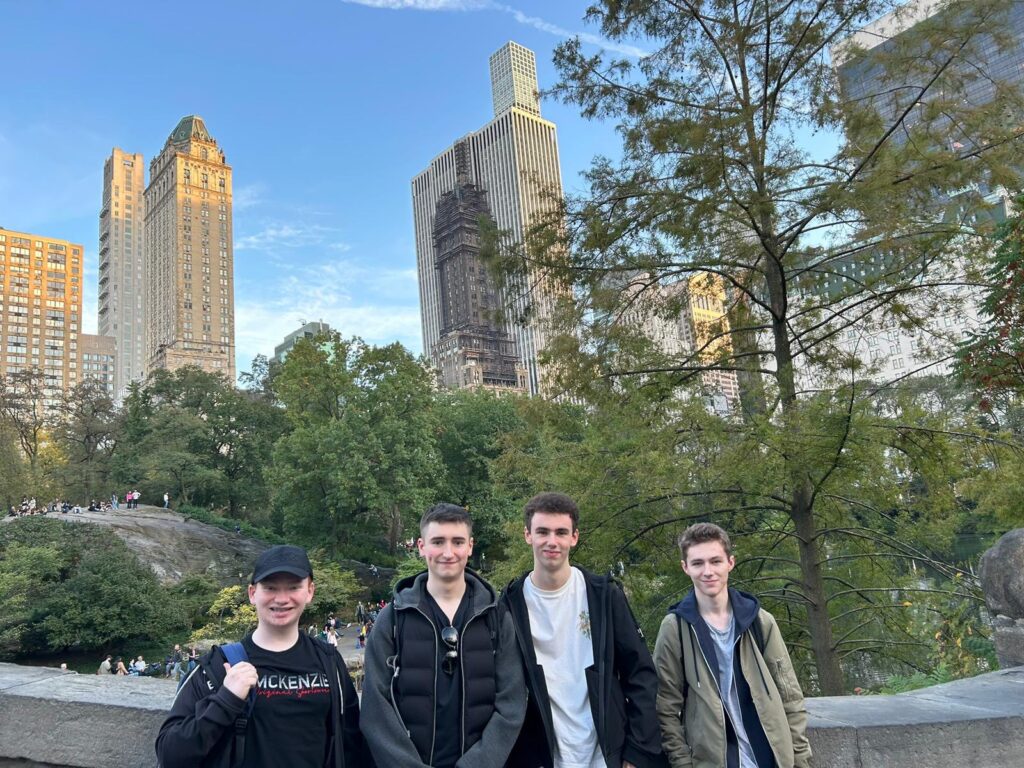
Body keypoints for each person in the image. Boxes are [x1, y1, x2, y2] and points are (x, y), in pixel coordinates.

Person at [155, 544, 366, 768]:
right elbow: (169, 754)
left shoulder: (329, 661)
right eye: (270, 588)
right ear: (252, 593)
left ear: (310, 591)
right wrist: (225, 701)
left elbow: (353, 747)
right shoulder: (218, 665)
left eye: (294, 587)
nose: (282, 599)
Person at [501, 492, 664, 768]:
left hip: (606, 755)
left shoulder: (603, 596)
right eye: (542, 532)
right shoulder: (509, 605)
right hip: (542, 757)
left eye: (561, 532)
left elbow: (641, 674)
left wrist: (638, 752)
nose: (552, 541)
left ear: (574, 537)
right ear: (528, 535)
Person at [362, 502, 526, 767]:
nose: (448, 553)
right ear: (421, 546)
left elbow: (511, 704)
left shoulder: (496, 618)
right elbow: (375, 709)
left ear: (470, 546)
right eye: (438, 542)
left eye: (457, 542)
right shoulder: (392, 619)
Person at [654, 523, 811, 768]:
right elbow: (665, 707)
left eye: (715, 561)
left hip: (769, 759)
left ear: (730, 562)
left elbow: (790, 697)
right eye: (698, 563)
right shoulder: (675, 628)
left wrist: (800, 760)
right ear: (685, 567)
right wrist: (683, 763)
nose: (708, 571)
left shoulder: (760, 622)